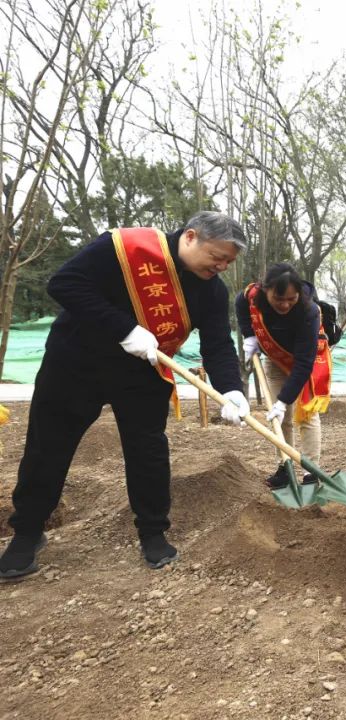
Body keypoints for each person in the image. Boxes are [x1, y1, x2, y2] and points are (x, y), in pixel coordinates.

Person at [0, 212, 249, 578]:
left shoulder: (211, 289)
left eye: (229, 261)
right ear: (191, 237)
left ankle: (152, 532)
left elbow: (217, 342)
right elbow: (64, 284)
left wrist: (231, 390)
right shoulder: (125, 248)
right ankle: (27, 533)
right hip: (76, 363)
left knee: (148, 450)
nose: (223, 267)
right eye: (218, 256)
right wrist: (125, 328)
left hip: (142, 373)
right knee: (48, 445)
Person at [236, 263, 330, 488]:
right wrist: (249, 335)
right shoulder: (252, 297)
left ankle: (311, 472)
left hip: (306, 361)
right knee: (280, 417)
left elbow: (304, 363)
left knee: (306, 415)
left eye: (291, 298)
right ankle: (285, 467)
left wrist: (284, 400)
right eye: (279, 299)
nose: (285, 304)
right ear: (265, 290)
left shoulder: (309, 311)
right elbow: (240, 304)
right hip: (276, 360)